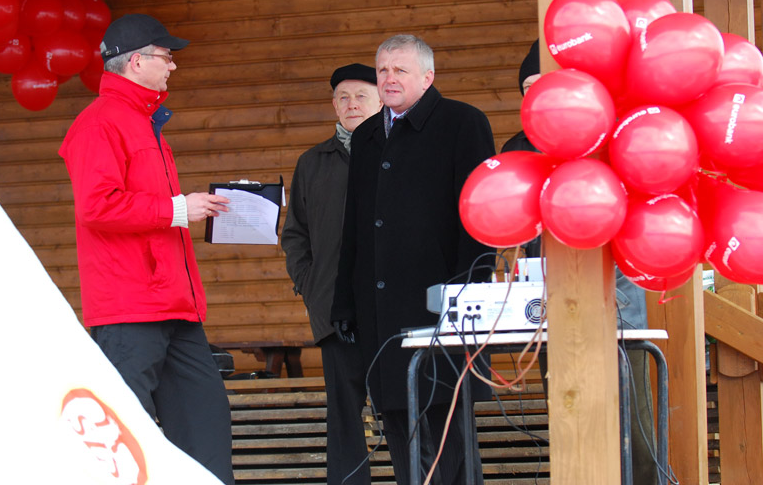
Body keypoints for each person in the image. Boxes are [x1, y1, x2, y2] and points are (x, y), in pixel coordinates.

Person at [58, 13, 235, 484]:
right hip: (129, 309)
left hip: (173, 304)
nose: (172, 66)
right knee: (122, 443)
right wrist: (178, 209)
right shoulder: (99, 123)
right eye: (166, 56)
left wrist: (186, 209)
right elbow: (96, 207)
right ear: (136, 62)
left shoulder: (143, 122)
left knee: (206, 426)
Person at [331, 34, 496, 484]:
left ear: (428, 77)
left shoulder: (463, 123)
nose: (389, 78)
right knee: (400, 426)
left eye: (400, 70)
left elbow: (481, 218)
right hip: (380, 310)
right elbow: (354, 227)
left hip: (443, 307)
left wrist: (469, 293)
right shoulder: (366, 135)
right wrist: (345, 300)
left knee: (447, 431)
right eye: (382, 70)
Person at [504, 39, 658, 485]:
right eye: (528, 87)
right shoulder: (517, 148)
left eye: (546, 83)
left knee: (632, 421)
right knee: (568, 417)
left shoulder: (611, 136)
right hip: (550, 302)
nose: (538, 94)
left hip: (618, 299)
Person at [281, 63, 382, 485]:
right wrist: (311, 287)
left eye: (361, 96)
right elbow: (295, 234)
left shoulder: (397, 152)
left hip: (390, 307)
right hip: (334, 312)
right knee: (344, 419)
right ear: (334, 106)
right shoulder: (312, 162)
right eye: (343, 97)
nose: (351, 104)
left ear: (381, 100)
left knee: (402, 409)